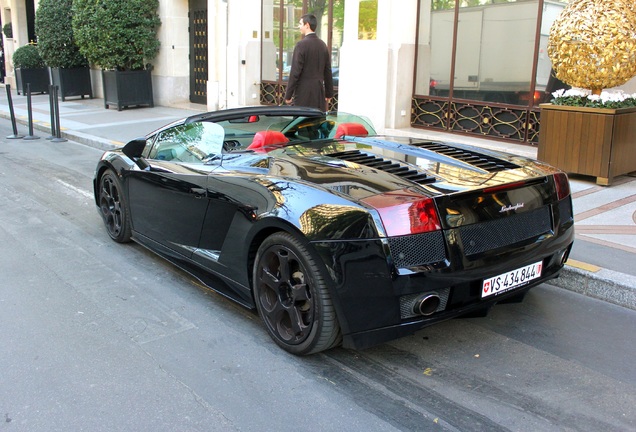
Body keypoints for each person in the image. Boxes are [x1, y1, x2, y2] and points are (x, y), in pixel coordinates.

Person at [284, 14, 334, 112]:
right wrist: (329, 93)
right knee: (316, 124)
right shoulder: (323, 45)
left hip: (303, 94)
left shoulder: (301, 45)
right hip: (319, 92)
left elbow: (295, 72)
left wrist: (288, 95)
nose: (299, 26)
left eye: (300, 24)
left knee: (300, 123)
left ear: (307, 25)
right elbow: (327, 70)